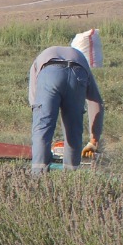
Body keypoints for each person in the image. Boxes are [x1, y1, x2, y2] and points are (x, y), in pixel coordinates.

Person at [27, 45, 104, 176]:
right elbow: (96, 103)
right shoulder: (81, 60)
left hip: (49, 71)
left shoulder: (38, 61)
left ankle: (38, 177)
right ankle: (71, 179)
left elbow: (35, 102)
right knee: (74, 131)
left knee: (42, 130)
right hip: (78, 72)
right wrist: (93, 140)